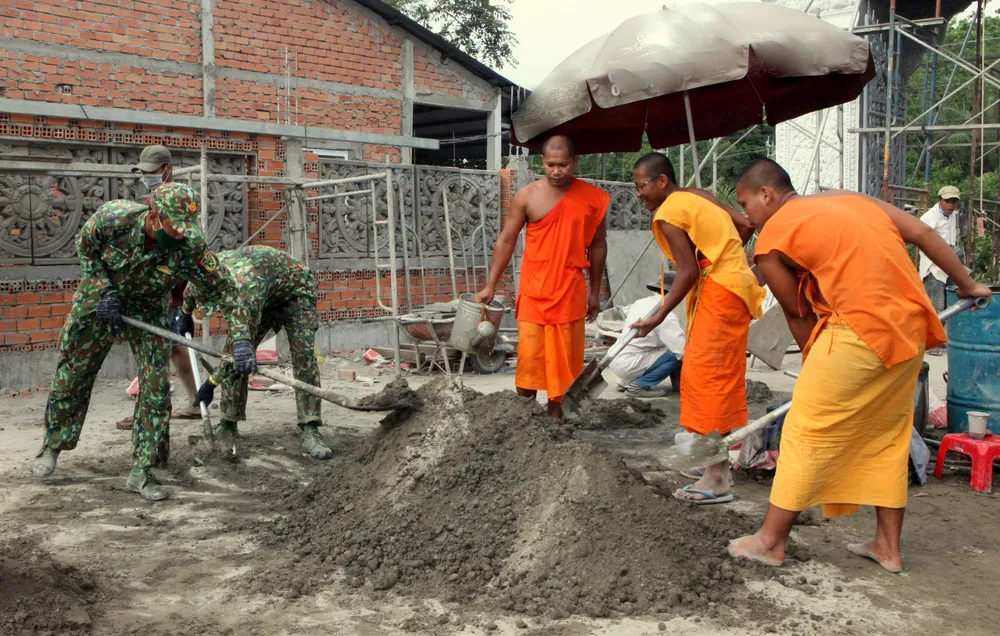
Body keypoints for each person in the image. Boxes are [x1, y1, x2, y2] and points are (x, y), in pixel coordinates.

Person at [727, 158, 991, 572]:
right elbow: (922, 234)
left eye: (746, 205)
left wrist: (818, 364)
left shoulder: (772, 238)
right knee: (888, 436)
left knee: (805, 430)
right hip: (909, 332)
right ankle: (887, 547)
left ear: (767, 194)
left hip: (856, 333)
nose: (747, 216)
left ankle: (770, 541)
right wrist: (968, 284)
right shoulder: (848, 198)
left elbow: (798, 313)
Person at [31, 183, 256, 501]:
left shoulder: (190, 246)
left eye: (186, 228)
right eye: (175, 227)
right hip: (98, 301)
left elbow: (225, 288)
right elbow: (86, 247)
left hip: (148, 309)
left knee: (155, 388)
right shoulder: (114, 218)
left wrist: (242, 337)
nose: (181, 235)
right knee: (73, 375)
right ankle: (52, 446)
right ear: (154, 218)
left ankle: (142, 469)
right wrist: (104, 289)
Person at [629, 152, 765, 504]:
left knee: (707, 378)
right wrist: (723, 256)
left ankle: (716, 476)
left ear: (661, 181)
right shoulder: (695, 196)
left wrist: (658, 316)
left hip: (720, 290)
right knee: (713, 374)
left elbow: (687, 271)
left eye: (641, 186)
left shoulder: (668, 213)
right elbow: (745, 225)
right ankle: (713, 461)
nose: (639, 194)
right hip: (731, 286)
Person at [475, 135, 609, 418]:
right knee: (529, 362)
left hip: (570, 294)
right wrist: (490, 285)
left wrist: (595, 292)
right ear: (542, 162)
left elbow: (598, 245)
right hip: (534, 293)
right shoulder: (526, 196)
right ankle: (525, 421)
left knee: (565, 366)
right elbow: (506, 240)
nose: (556, 171)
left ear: (575, 161)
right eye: (550, 165)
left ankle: (557, 423)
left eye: (563, 165)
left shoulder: (593, 199)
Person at [176, 245, 332, 460]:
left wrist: (210, 383)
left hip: (296, 292)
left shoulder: (245, 293)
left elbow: (238, 353)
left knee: (301, 354)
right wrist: (185, 314)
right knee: (233, 352)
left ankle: (310, 428)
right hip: (265, 286)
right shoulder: (204, 274)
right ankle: (228, 423)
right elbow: (190, 292)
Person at [117, 145, 201, 427]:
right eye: (143, 172)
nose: (146, 176)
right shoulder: (151, 199)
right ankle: (193, 402)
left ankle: (153, 410)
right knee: (173, 346)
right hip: (157, 284)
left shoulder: (175, 199)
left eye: (151, 171)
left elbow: (184, 242)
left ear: (167, 169)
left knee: (161, 346)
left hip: (169, 284)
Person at [610, 279, 686, 399]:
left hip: (615, 358)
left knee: (664, 348)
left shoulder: (641, 302)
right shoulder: (666, 315)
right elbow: (681, 350)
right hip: (630, 363)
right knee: (676, 355)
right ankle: (638, 386)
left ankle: (624, 382)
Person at [918, 187, 963, 354]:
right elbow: (923, 242)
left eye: (953, 201)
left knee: (949, 305)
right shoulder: (929, 218)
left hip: (948, 266)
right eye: (947, 201)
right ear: (939, 201)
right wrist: (945, 250)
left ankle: (938, 339)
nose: (951, 205)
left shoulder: (952, 216)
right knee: (936, 306)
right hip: (934, 268)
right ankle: (931, 344)